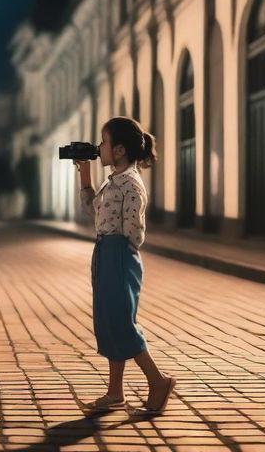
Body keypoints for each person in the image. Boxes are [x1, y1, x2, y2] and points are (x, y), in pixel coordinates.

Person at [74, 116, 176, 417]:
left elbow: (135, 230)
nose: (99, 147)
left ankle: (158, 381)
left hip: (119, 254)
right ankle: (115, 393)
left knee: (121, 321)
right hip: (106, 252)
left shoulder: (130, 184)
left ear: (118, 151)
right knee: (107, 321)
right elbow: (91, 212)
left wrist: (117, 247)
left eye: (104, 142)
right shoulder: (113, 181)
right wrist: (85, 175)